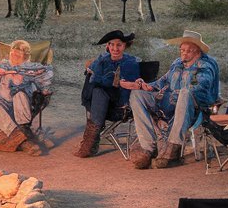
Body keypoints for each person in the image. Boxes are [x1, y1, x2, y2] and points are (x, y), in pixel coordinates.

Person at [124, 30, 219, 169]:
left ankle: (173, 149)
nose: (183, 53)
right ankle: (148, 146)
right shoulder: (177, 63)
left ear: (197, 51)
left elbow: (202, 86)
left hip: (195, 108)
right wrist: (146, 86)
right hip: (170, 104)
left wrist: (176, 94)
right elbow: (163, 81)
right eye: (182, 50)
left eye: (188, 51)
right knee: (137, 94)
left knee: (185, 93)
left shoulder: (205, 65)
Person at [74, 30, 141, 158]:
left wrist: (105, 78)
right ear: (108, 46)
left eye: (119, 45)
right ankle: (91, 142)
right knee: (96, 88)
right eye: (112, 45)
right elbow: (94, 78)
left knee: (98, 89)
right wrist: (110, 79)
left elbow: (127, 84)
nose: (115, 48)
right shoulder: (102, 59)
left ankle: (89, 144)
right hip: (101, 101)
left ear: (125, 46)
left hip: (121, 104)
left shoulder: (131, 62)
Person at [0, 39, 54, 155]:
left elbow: (46, 77)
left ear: (25, 56)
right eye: (13, 53)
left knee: (19, 95)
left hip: (22, 104)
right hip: (3, 101)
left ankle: (24, 133)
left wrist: (44, 89)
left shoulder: (30, 67)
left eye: (18, 55)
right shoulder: (5, 64)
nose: (14, 56)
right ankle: (16, 134)